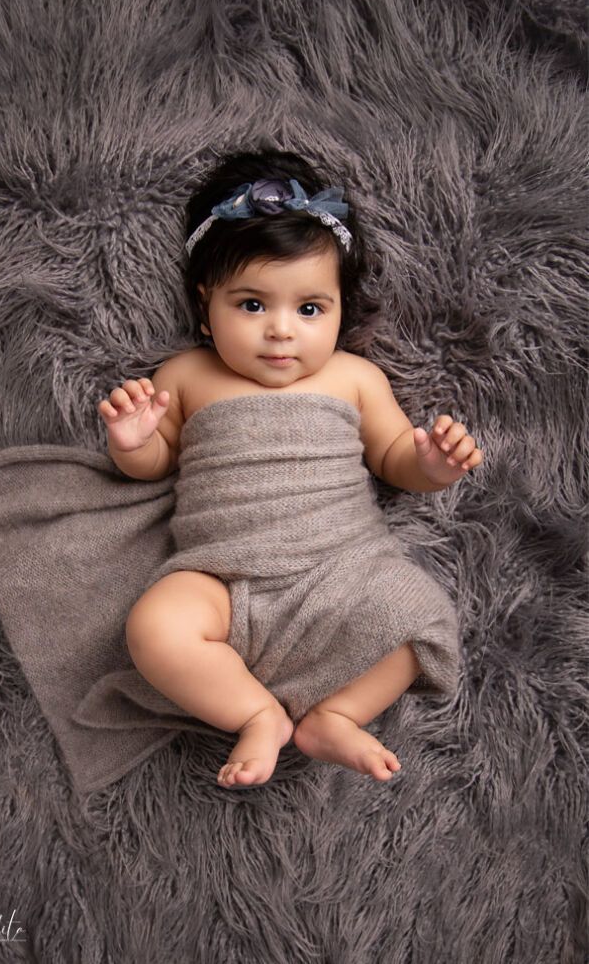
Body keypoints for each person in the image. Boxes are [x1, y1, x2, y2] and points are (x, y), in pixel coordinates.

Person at [97, 147, 483, 790]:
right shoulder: (186, 376)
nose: (280, 331)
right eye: (251, 305)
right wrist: (131, 441)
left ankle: (335, 714)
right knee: (155, 625)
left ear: (339, 309)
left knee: (418, 610)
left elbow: (391, 460)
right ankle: (257, 714)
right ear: (205, 304)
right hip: (220, 575)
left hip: (341, 566)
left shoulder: (356, 378)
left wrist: (431, 465)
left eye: (309, 309)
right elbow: (156, 462)